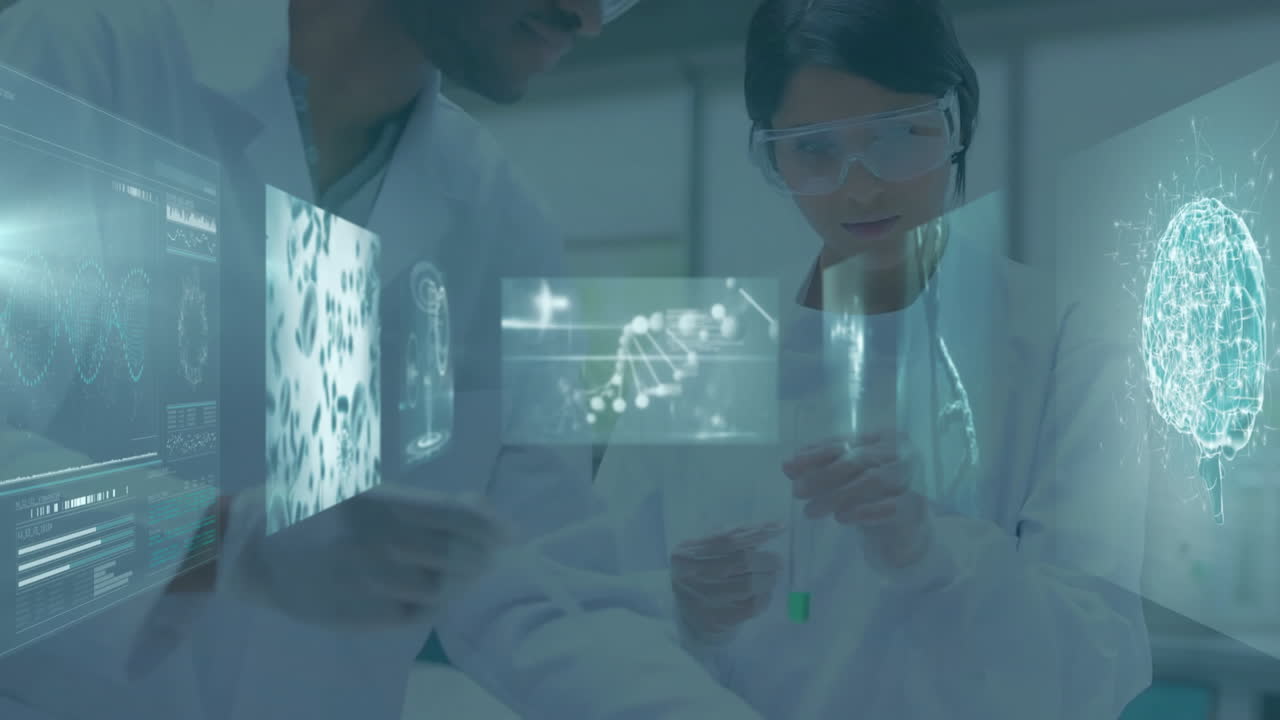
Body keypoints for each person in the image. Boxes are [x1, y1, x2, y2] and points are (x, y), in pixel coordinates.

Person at [0, 0, 770, 718]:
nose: (592, 15)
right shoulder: (82, 55)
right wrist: (210, 543)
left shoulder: (502, 218)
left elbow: (546, 588)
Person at [595, 0, 1154, 717]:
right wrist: (679, 611)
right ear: (772, 154)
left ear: (955, 123)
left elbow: (1097, 664)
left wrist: (934, 553)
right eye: (814, 150)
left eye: (898, 137)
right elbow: (590, 623)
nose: (861, 187)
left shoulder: (1065, 341)